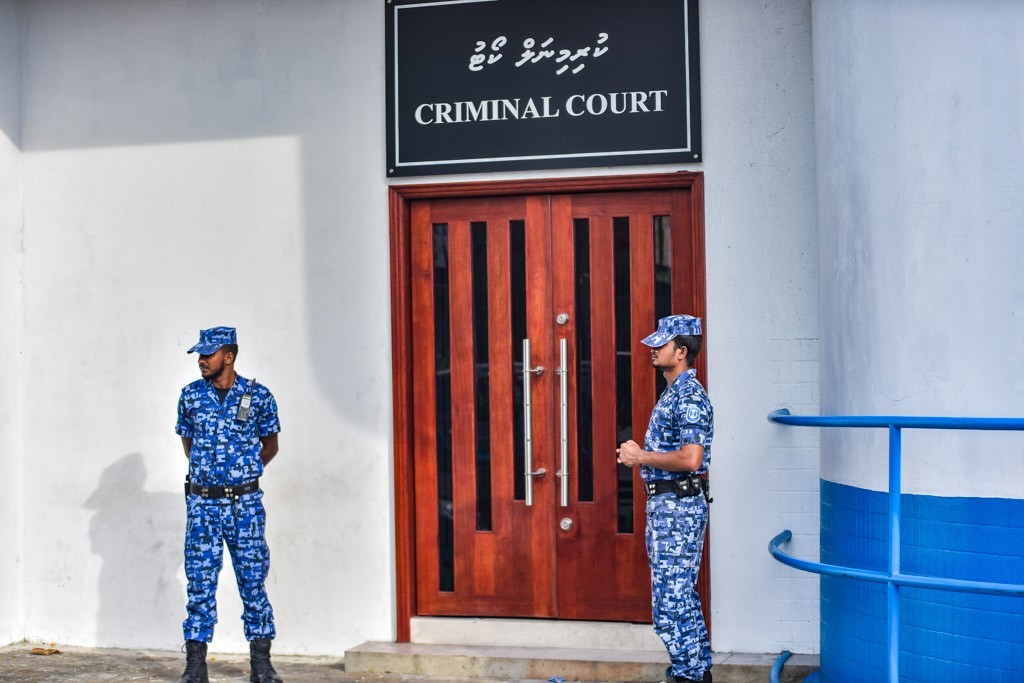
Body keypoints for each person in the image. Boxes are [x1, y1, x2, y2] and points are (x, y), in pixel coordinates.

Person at [175, 326, 284, 683]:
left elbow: (270, 446)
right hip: (203, 505)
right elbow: (190, 446)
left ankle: (261, 664)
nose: (201, 360)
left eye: (208, 354)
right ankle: (195, 665)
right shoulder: (191, 397)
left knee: (253, 581)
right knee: (200, 583)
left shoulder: (259, 396)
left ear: (229, 356)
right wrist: (212, 476)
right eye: (200, 354)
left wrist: (242, 473)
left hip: (245, 505)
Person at [617, 314, 713, 683]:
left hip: (678, 509)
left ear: (682, 351)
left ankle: (688, 676)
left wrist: (640, 456)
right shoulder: (674, 393)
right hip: (668, 507)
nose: (653, 349)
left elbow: (691, 459)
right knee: (679, 598)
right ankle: (694, 673)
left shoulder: (689, 397)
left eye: (662, 344)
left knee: (671, 604)